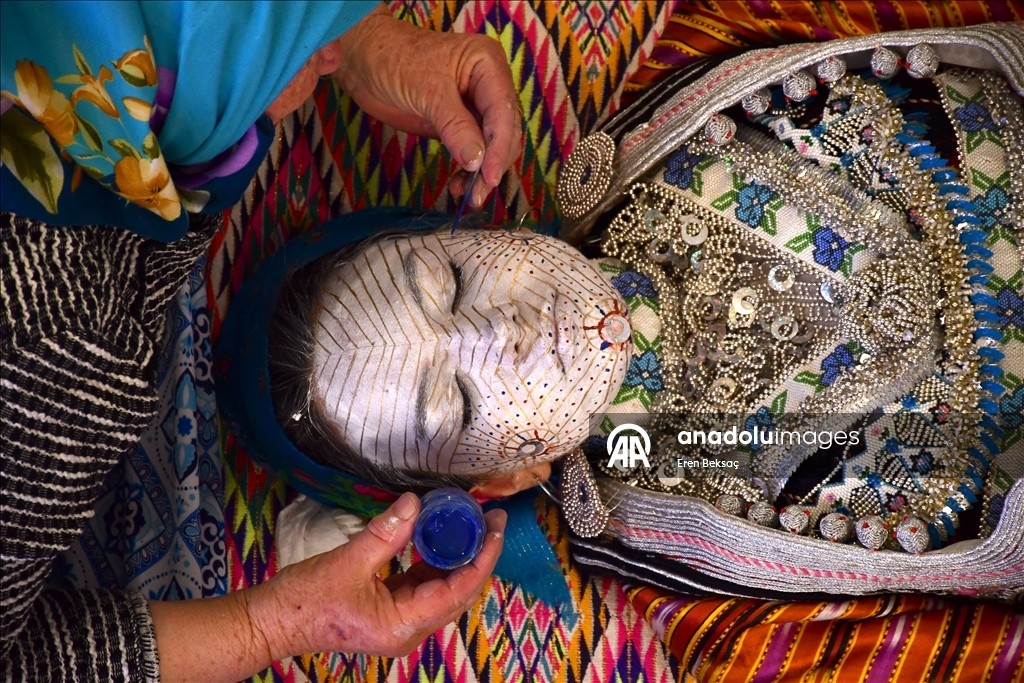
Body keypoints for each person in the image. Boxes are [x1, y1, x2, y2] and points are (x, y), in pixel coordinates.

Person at [0, 2, 524, 682]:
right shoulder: (51, 360)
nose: (500, 333)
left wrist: (349, 36)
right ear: (498, 481)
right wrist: (280, 621)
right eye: (454, 402)